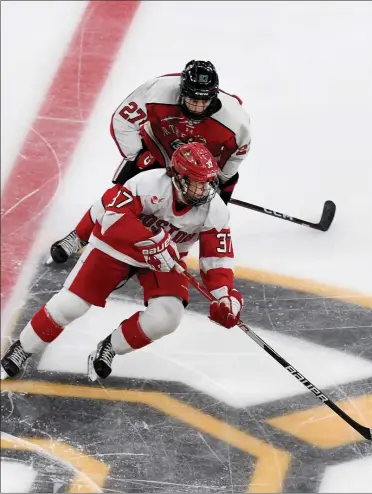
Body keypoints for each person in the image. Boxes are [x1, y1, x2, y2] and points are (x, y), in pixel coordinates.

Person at [1, 142, 243, 381]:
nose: (203, 191)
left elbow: (217, 257)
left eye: (207, 183)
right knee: (70, 305)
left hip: (164, 261)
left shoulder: (215, 210)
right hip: (116, 249)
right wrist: (149, 239)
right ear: (178, 177)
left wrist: (225, 296)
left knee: (168, 316)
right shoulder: (146, 184)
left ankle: (110, 347)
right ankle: (23, 348)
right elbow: (112, 218)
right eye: (196, 183)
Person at [49, 60, 251, 264]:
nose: (198, 107)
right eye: (192, 99)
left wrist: (217, 180)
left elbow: (235, 157)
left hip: (198, 166)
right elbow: (123, 120)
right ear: (182, 90)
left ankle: (169, 253)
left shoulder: (235, 120)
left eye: (204, 101)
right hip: (158, 150)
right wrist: (138, 156)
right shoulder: (158, 91)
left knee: (202, 212)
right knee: (122, 195)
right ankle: (78, 236)